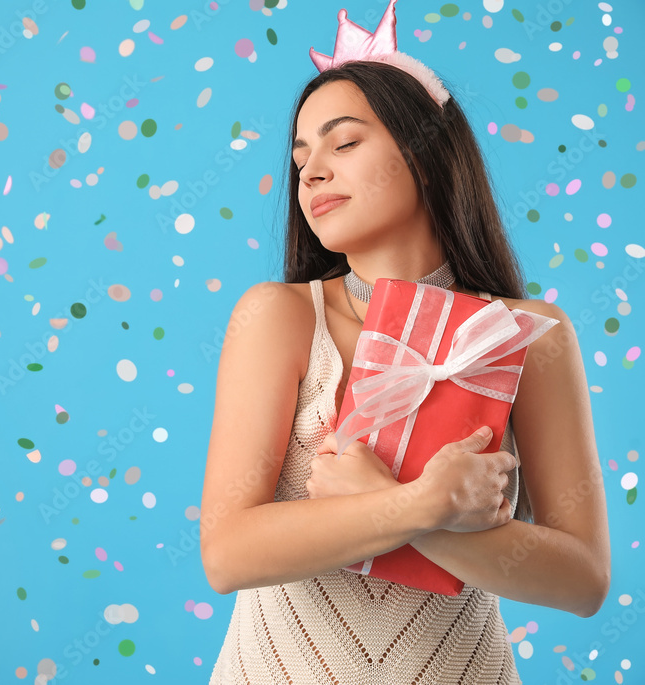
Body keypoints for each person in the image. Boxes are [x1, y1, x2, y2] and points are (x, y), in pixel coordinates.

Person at [200, 1, 611, 682]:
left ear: (423, 150)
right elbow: (228, 551)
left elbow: (584, 578)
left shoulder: (532, 335)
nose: (311, 172)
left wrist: (396, 507)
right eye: (301, 155)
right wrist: (422, 503)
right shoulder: (278, 316)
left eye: (345, 141)